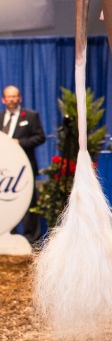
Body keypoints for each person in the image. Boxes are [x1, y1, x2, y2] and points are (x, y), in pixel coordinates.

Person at [2, 85, 46, 245]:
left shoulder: (30, 116)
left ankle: (31, 239)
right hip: (5, 173)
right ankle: (7, 235)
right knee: (6, 202)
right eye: (8, 97)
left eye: (14, 96)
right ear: (3, 100)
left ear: (19, 98)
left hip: (24, 170)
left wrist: (20, 143)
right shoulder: (1, 118)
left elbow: (40, 137)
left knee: (29, 203)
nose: (12, 99)